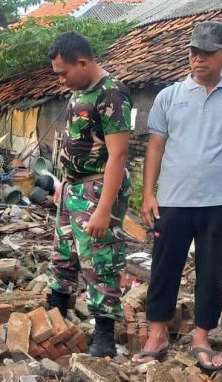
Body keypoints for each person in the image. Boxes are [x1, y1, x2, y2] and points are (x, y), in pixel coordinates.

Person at [135, 22, 222, 370]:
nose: (198, 59)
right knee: (164, 267)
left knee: (211, 270)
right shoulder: (169, 97)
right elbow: (155, 147)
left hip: (220, 202)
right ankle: (157, 333)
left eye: (207, 52)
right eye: (194, 52)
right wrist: (148, 194)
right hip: (173, 199)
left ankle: (201, 336)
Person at [46, 32, 133, 358]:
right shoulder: (81, 91)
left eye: (64, 72)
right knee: (63, 253)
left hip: (98, 188)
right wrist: (63, 186)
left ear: (83, 62)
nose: (62, 79)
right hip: (73, 188)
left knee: (100, 260)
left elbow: (118, 155)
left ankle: (105, 334)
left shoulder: (112, 94)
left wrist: (104, 208)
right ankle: (56, 314)